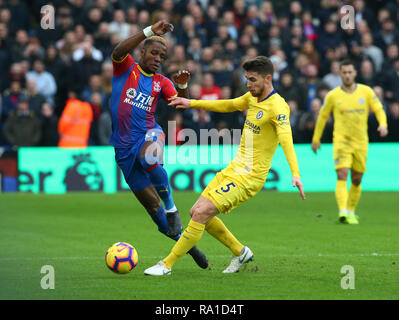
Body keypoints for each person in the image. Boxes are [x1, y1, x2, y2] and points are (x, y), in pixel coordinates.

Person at [144, 56, 305, 276]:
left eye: (253, 80)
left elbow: (286, 139)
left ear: (268, 78)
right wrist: (192, 102)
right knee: (196, 212)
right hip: (234, 169)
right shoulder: (252, 97)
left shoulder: (278, 107)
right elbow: (228, 104)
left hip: (250, 177)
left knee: (200, 214)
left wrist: (295, 173)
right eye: (247, 79)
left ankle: (166, 264)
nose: (248, 84)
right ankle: (240, 252)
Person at [109, 20, 208, 269]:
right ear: (142, 52)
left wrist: (183, 86)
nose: (157, 59)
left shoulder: (161, 82)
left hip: (150, 134)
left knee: (150, 159)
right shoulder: (125, 68)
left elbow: (183, 105)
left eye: (162, 56)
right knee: (157, 216)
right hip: (123, 150)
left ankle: (173, 207)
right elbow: (119, 50)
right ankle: (190, 247)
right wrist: (150, 31)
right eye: (154, 53)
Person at [311, 60, 388, 224]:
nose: (347, 75)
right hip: (341, 141)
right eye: (344, 72)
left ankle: (351, 211)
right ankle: (343, 211)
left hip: (360, 142)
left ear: (355, 73)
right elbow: (323, 116)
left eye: (349, 72)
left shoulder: (366, 92)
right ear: (340, 74)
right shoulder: (333, 95)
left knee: (357, 179)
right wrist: (316, 139)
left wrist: (383, 124)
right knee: (342, 174)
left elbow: (379, 108)